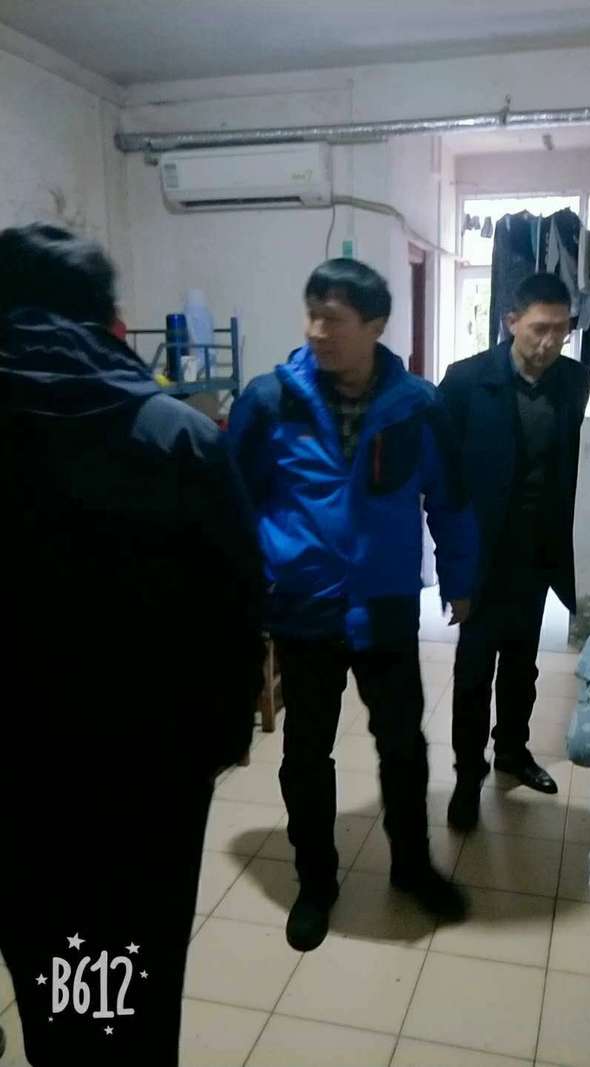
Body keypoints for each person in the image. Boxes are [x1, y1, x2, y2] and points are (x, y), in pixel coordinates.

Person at [0, 224, 266, 1066]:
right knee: (124, 974)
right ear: (106, 320)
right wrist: (220, 739)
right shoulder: (176, 435)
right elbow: (237, 606)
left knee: (40, 958)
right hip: (144, 775)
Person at [229, 258, 478, 952]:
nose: (316, 331)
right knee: (306, 750)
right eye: (311, 315)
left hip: (385, 603)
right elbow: (233, 501)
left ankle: (411, 867)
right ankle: (316, 883)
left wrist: (459, 580)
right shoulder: (269, 401)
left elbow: (452, 498)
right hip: (303, 605)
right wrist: (247, 587)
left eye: (332, 319)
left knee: (402, 745)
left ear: (375, 325)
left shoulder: (418, 405)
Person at [439, 272, 590, 832]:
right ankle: (466, 775)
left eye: (561, 330)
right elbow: (444, 480)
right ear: (511, 322)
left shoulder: (575, 382)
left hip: (537, 553)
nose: (550, 342)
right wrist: (452, 569)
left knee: (523, 667)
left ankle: (512, 751)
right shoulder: (465, 381)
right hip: (481, 558)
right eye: (539, 329)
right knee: (473, 672)